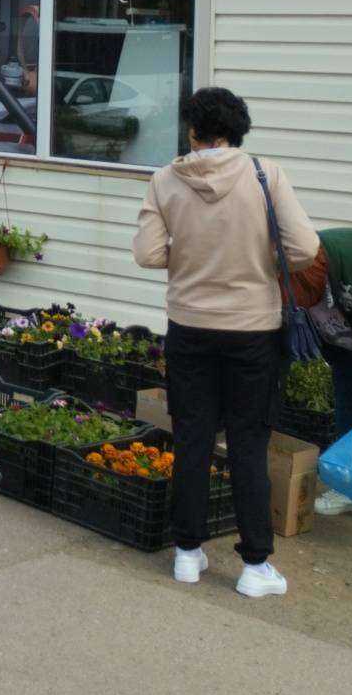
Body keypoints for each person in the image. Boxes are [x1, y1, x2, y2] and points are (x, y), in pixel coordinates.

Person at [133, 85, 320, 598]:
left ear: (193, 131)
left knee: (191, 439)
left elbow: (148, 254)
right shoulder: (265, 175)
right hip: (253, 333)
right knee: (248, 443)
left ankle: (187, 555)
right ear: (238, 130)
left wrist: (191, 256)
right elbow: (304, 248)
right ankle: (255, 565)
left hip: (189, 328)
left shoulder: (165, 180)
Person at [315, 227, 352, 516]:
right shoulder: (281, 273)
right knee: (350, 404)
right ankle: (351, 487)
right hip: (347, 345)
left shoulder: (348, 259)